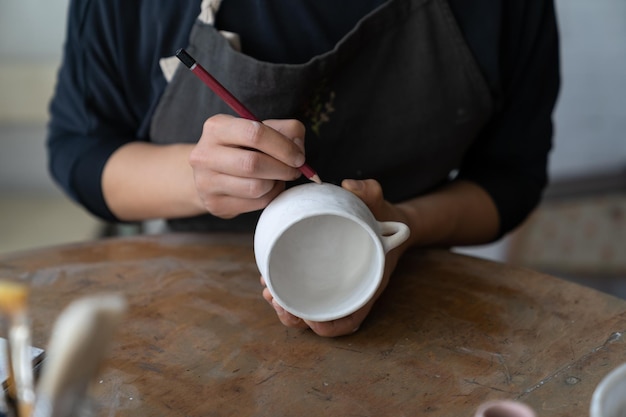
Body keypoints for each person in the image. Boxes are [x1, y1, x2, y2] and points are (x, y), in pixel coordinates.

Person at [47, 0, 560, 337]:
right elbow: (79, 150)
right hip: (187, 306)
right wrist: (196, 178)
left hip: (414, 302)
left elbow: (510, 181)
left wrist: (400, 226)